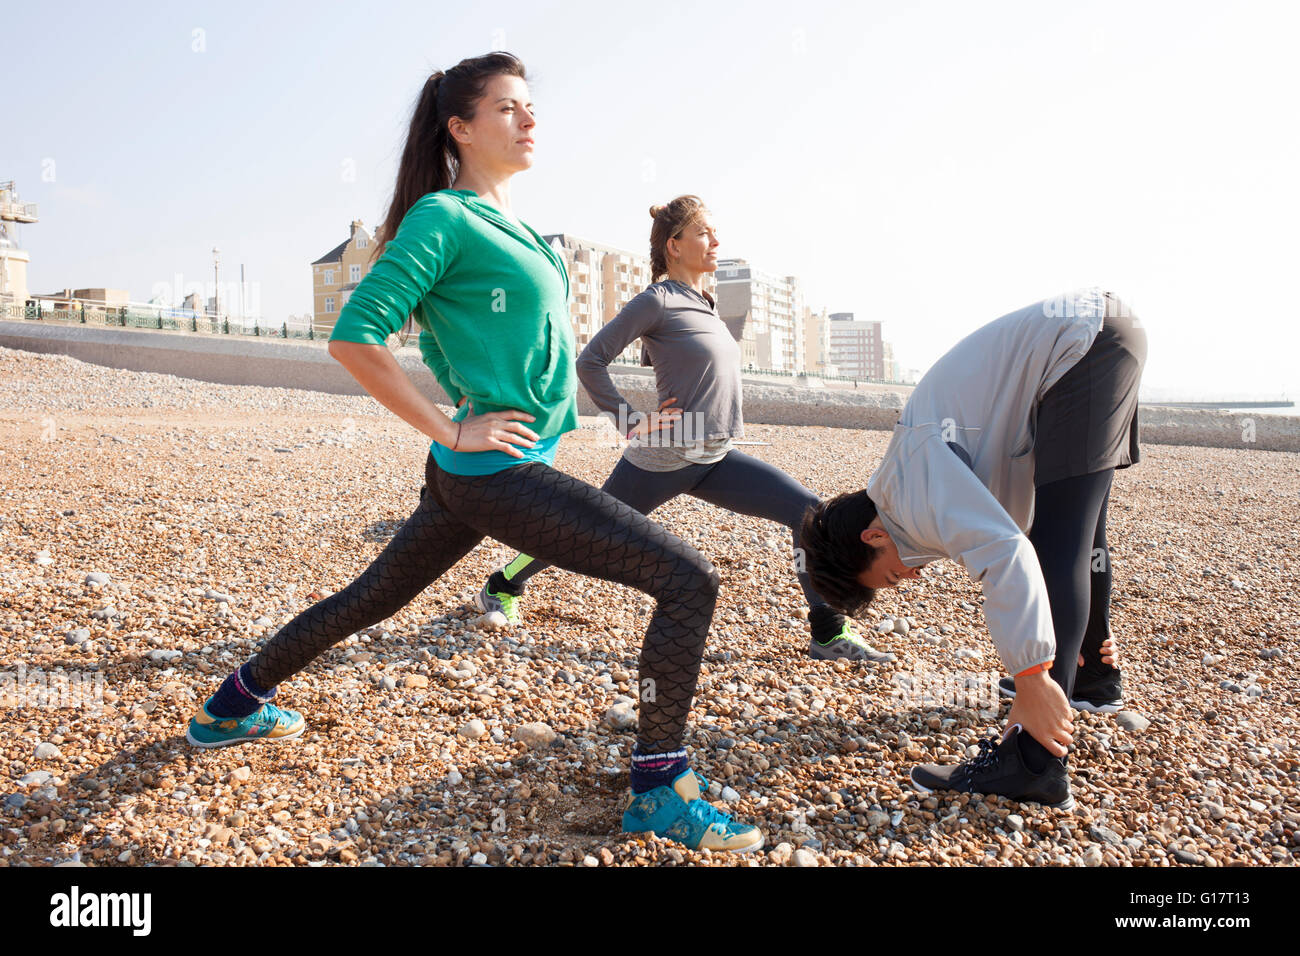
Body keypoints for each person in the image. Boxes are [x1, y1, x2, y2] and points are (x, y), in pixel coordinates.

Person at [184, 53, 761, 854]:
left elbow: (514, 345)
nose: (530, 119)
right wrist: (453, 427)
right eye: (507, 109)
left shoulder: (520, 228)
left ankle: (230, 706)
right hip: (494, 471)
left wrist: (602, 407)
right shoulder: (442, 219)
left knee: (375, 596)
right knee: (688, 580)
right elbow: (355, 336)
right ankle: (660, 788)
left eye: (531, 107)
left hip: (482, 473)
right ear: (460, 128)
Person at [475, 195, 886, 662]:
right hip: (663, 459)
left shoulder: (705, 302)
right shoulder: (657, 300)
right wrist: (630, 421)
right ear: (674, 245)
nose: (716, 241)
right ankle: (502, 583)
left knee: (808, 512)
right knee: (583, 533)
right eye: (704, 233)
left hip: (714, 457)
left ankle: (828, 630)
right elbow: (591, 361)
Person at [799, 288, 1145, 809]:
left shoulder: (913, 484)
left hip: (1083, 344)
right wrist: (1091, 641)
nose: (910, 578)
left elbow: (1009, 553)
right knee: (1078, 528)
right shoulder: (906, 490)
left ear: (872, 536)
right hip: (1100, 335)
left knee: (1058, 539)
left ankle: (1035, 762)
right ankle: (1094, 678)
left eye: (891, 575)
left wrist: (1031, 678)